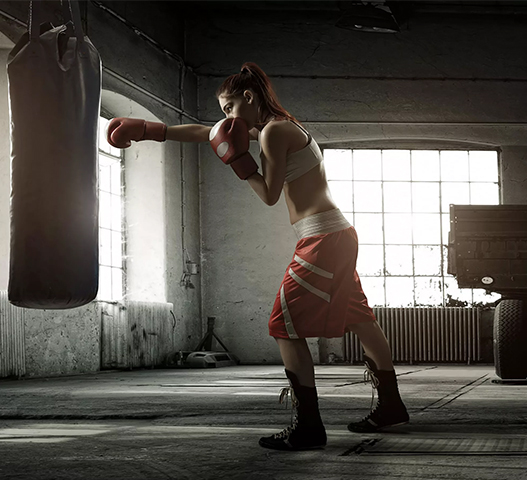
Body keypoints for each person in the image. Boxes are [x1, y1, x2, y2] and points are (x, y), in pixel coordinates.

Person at [106, 62, 409, 451]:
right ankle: (391, 406)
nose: (226, 118)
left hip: (321, 237)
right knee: (361, 319)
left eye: (230, 107)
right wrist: (152, 130)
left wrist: (237, 162)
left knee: (284, 325)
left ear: (249, 98)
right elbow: (210, 133)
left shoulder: (274, 132)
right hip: (335, 233)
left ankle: (309, 428)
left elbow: (268, 193)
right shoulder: (281, 125)